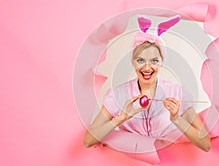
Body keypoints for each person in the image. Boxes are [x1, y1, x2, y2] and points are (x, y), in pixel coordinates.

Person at [84, 16, 211, 156]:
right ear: (132, 62)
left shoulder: (177, 93)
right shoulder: (117, 95)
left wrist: (177, 119)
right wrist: (122, 117)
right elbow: (89, 140)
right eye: (140, 60)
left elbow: (205, 143)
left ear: (161, 62)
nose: (147, 67)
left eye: (154, 61)